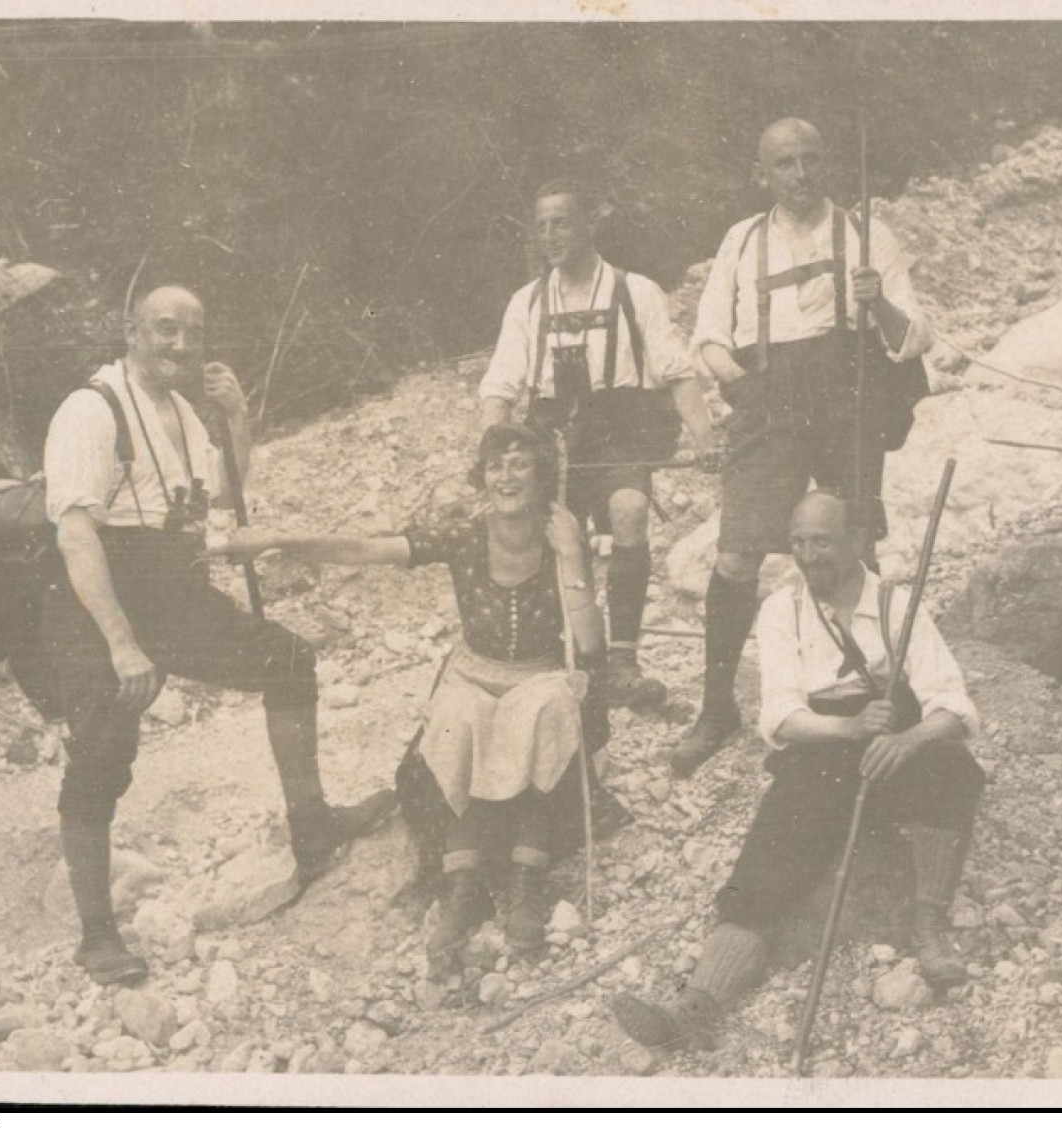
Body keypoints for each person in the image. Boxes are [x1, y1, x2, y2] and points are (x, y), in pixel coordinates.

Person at [42, 285, 394, 986]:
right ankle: (97, 934)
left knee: (288, 660)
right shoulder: (92, 407)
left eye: (192, 334)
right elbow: (77, 535)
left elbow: (225, 498)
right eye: (164, 330)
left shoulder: (180, 411)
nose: (180, 345)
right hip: (96, 598)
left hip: (174, 591)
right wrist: (121, 643)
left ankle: (312, 824)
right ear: (132, 331)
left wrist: (236, 416)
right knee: (103, 752)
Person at [213, 423, 609, 972]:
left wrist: (570, 557)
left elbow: (589, 642)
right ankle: (463, 889)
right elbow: (364, 548)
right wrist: (281, 539)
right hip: (474, 670)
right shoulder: (463, 533)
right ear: (482, 476)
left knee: (544, 712)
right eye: (495, 464)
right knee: (455, 718)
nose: (506, 476)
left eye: (520, 463)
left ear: (543, 475)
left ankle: (525, 887)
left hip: (538, 673)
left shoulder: (562, 535)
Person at [611, 491, 983, 1057]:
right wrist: (851, 729)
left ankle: (929, 924)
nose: (809, 556)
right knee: (771, 851)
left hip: (896, 745)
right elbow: (780, 715)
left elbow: (954, 706)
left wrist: (906, 739)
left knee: (953, 768)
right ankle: (698, 1004)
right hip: (823, 749)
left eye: (823, 542)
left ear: (857, 540)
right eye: (800, 543)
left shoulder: (895, 605)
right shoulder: (782, 609)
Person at [668, 117, 935, 778]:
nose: (800, 174)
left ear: (829, 162)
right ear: (762, 174)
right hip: (769, 400)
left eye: (811, 159)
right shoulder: (742, 241)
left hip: (847, 396)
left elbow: (913, 338)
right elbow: (706, 338)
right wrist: (745, 387)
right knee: (735, 555)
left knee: (853, 546)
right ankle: (716, 706)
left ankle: (869, 694)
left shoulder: (868, 236)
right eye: (784, 163)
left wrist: (880, 307)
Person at [480, 179, 721, 710]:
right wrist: (490, 447)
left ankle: (622, 658)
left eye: (561, 222)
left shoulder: (636, 291)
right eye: (541, 226)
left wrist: (705, 438)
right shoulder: (527, 302)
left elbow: (677, 371)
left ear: (590, 223)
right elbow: (500, 383)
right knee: (555, 536)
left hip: (619, 429)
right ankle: (565, 658)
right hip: (550, 431)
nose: (550, 235)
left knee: (630, 511)